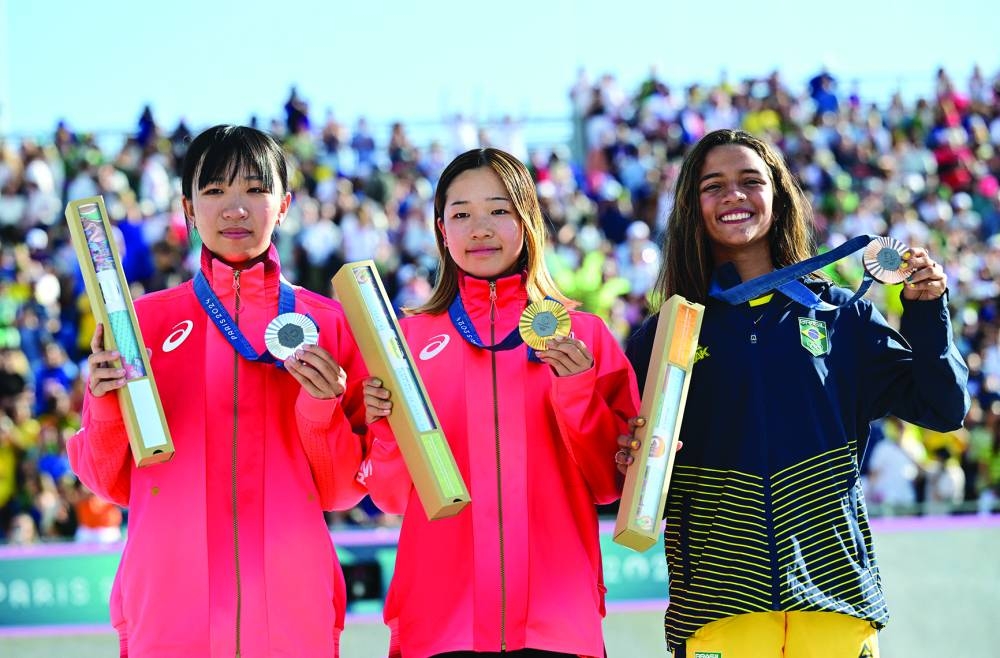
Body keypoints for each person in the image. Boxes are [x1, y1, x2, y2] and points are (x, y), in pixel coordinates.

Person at [619, 129, 970, 657]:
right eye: (713, 186)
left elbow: (944, 407)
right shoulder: (667, 335)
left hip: (836, 602)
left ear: (779, 197)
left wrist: (926, 311)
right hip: (718, 608)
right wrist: (629, 457)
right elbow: (632, 471)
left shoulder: (840, 315)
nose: (734, 195)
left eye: (750, 181)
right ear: (693, 207)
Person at [68, 124, 369, 657]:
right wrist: (107, 407)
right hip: (167, 609)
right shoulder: (141, 325)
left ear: (284, 205)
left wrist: (322, 411)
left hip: (290, 609)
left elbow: (344, 490)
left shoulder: (330, 324)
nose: (235, 208)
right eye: (214, 191)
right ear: (188, 208)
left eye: (255, 189)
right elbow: (107, 482)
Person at [359, 147, 639, 658]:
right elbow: (392, 497)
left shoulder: (585, 336)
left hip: (555, 625)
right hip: (440, 625)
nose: (479, 228)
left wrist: (576, 393)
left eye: (498, 209)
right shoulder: (405, 342)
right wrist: (383, 430)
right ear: (442, 230)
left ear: (528, 221)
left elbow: (610, 483)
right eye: (461, 214)